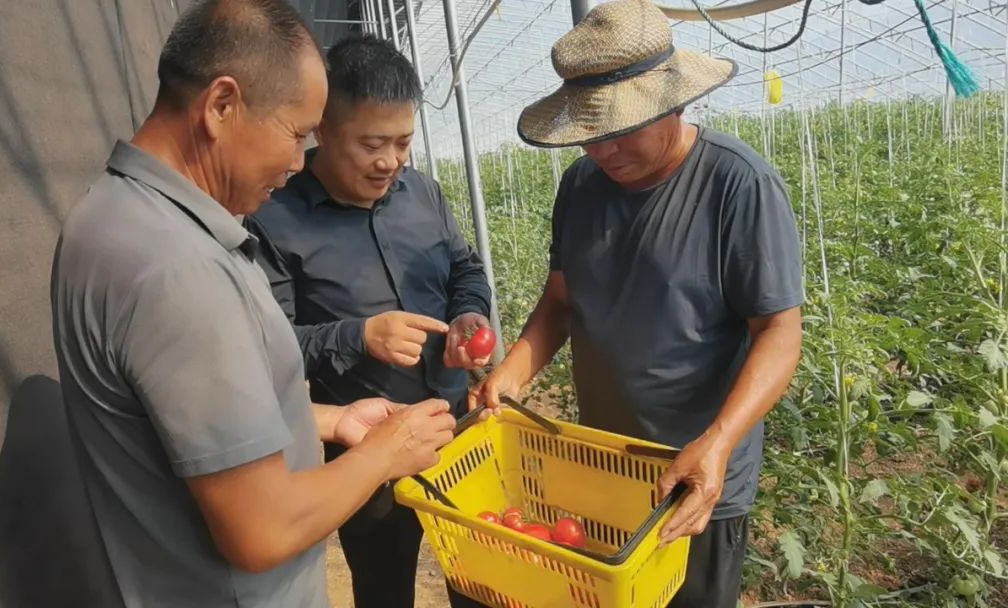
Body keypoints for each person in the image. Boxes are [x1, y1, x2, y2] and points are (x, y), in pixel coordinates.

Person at [49, 3, 456, 607]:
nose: (297, 164)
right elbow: (263, 529)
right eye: (295, 135)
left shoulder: (117, 219)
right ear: (220, 105)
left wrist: (326, 420)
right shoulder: (175, 268)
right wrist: (382, 455)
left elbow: (187, 418)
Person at [471, 1, 804, 607]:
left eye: (620, 131)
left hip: (696, 478)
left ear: (673, 102)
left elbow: (779, 329)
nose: (602, 152)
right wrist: (513, 372)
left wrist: (720, 440)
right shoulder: (579, 187)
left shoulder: (737, 185)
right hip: (604, 467)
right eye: (590, 134)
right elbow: (561, 301)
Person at [245, 34, 491, 608]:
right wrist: (359, 337)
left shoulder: (422, 193)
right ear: (323, 130)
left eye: (403, 142)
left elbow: (464, 268)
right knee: (383, 584)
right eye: (372, 144)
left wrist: (468, 314)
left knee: (480, 573)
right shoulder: (274, 218)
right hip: (368, 446)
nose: (391, 161)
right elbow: (272, 349)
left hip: (458, 426)